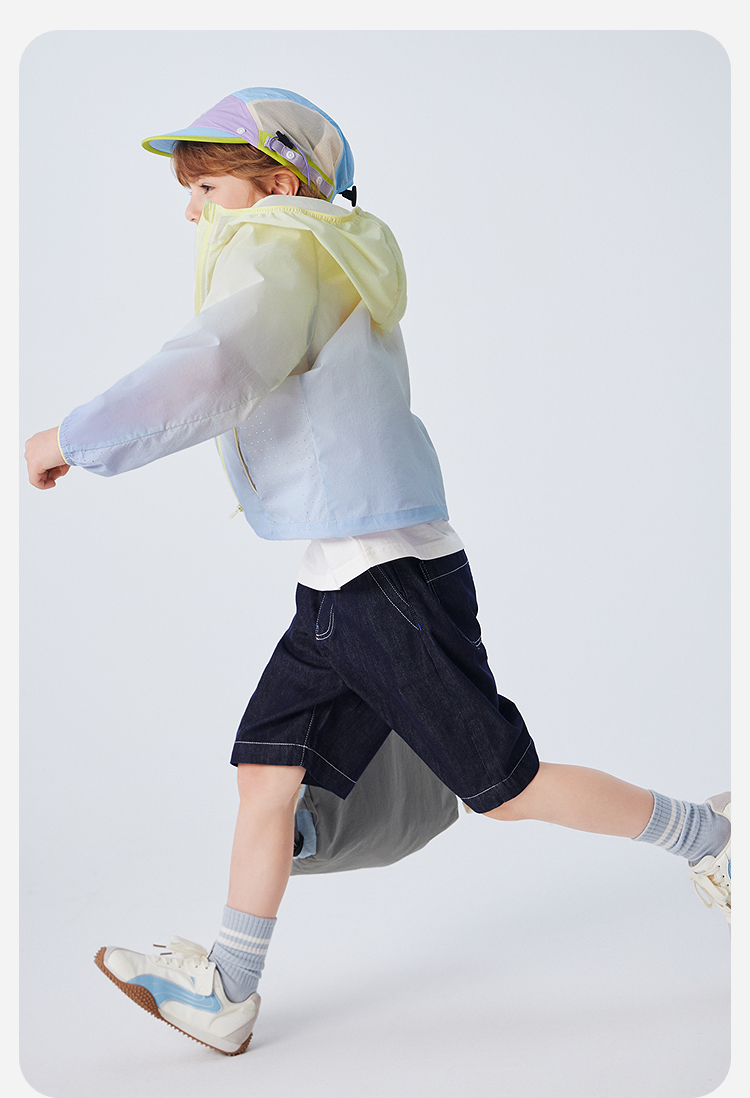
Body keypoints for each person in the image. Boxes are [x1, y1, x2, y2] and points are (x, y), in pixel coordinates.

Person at [24, 86, 731, 1057]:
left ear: (279, 184)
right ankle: (227, 990)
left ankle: (712, 837)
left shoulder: (282, 246)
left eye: (208, 187)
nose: (191, 210)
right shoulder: (323, 247)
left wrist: (72, 438)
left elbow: (211, 368)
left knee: (506, 786)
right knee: (266, 775)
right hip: (339, 579)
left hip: (383, 582)